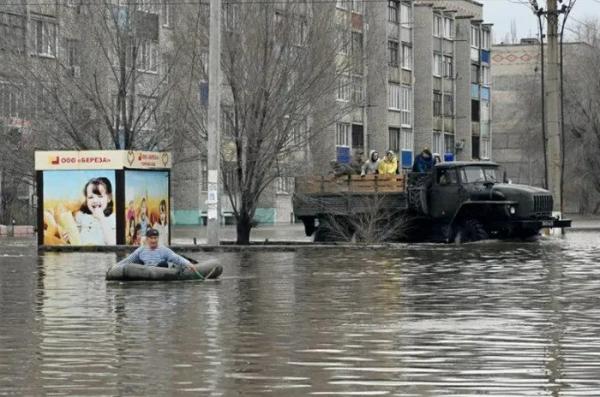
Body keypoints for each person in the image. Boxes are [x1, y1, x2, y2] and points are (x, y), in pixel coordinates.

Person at [122, 228, 196, 271]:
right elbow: (129, 259)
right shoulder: (141, 250)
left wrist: (188, 264)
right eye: (151, 238)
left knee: (163, 264)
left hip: (160, 273)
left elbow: (176, 258)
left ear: (158, 238)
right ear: (147, 239)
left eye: (155, 238)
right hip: (144, 273)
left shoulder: (164, 250)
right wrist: (116, 267)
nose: (153, 241)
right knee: (137, 262)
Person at [74, 177, 116, 245]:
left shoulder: (112, 218)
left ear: (109, 198)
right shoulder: (81, 216)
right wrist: (68, 236)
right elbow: (75, 238)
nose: (95, 200)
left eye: (100, 196)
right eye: (90, 197)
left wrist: (102, 218)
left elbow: (113, 243)